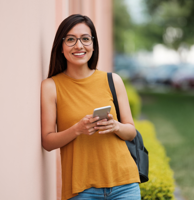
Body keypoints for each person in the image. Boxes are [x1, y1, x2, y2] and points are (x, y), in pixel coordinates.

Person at [41, 14, 141, 200]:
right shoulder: (51, 86)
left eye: (85, 39)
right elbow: (47, 142)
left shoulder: (113, 80)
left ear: (93, 45)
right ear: (60, 47)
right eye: (71, 39)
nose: (79, 45)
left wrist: (116, 126)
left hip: (124, 184)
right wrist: (77, 129)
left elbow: (131, 132)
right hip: (81, 190)